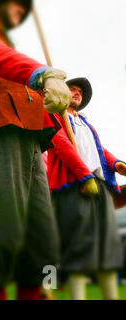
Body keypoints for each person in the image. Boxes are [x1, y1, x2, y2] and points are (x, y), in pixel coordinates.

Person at [0, 0, 71, 300]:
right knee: (0, 229)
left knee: (40, 237)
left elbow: (12, 61)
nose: (21, 9)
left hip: (31, 141)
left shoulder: (12, 48)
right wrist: (41, 73)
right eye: (16, 4)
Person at [46, 77, 126, 300]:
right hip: (73, 186)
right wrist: (83, 176)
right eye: (72, 89)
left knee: (108, 245)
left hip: (99, 185)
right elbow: (62, 147)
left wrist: (117, 164)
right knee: (78, 245)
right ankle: (49, 287)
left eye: (80, 91)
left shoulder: (85, 123)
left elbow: (99, 150)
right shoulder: (54, 117)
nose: (77, 93)